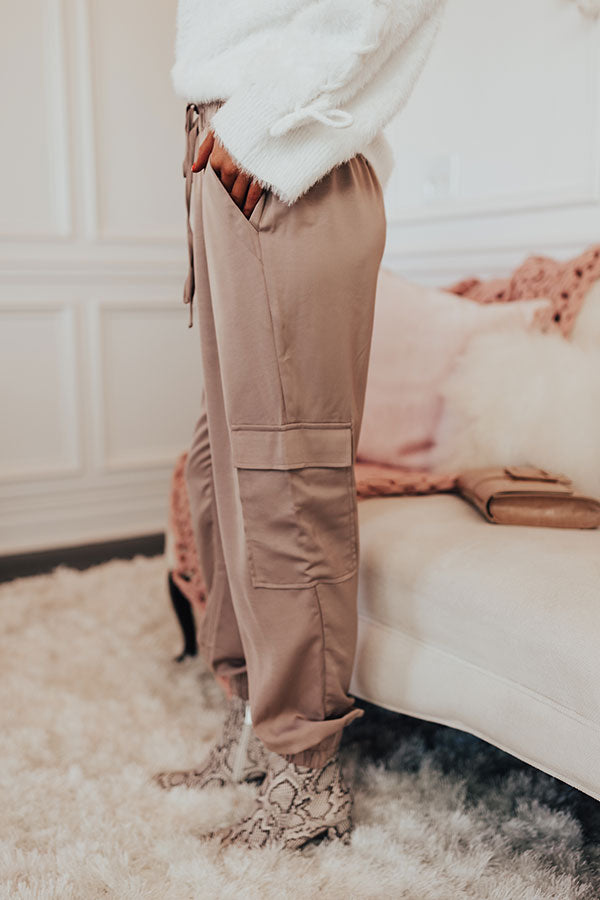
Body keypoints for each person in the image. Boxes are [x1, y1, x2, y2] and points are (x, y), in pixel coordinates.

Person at [155, 0, 447, 852]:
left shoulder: (265, 133)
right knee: (219, 471)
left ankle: (307, 770)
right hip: (235, 159)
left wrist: (252, 128)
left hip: (286, 157)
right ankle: (254, 718)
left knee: (284, 478)